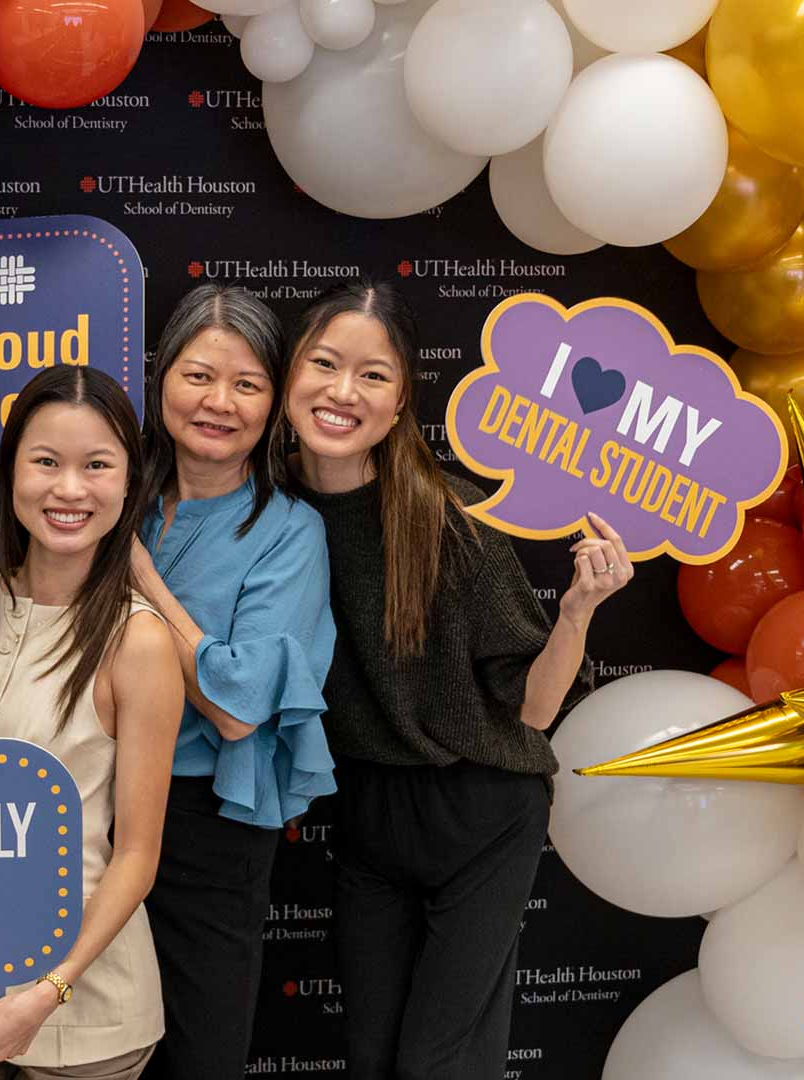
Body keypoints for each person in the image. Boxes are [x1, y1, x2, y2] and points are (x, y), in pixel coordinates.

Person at [281, 281, 629, 1080]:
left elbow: (534, 710)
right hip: (370, 811)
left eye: (373, 375)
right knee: (371, 1057)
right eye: (325, 364)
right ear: (290, 372)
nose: (342, 391)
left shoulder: (446, 517)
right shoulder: (263, 511)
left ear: (402, 402)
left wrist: (576, 611)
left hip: (482, 806)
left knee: (440, 1064)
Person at [0, 365, 184, 1080]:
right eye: (46, 462)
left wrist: (47, 990)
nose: (69, 489)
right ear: (11, 473)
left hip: (84, 1011)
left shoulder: (139, 642)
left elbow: (136, 856)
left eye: (97, 466)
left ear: (128, 483)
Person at [124, 285, 336, 1079]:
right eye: (198, 376)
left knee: (198, 1048)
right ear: (161, 382)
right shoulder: (116, 492)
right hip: (92, 802)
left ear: (274, 402)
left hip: (207, 814)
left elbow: (239, 708)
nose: (219, 402)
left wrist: (141, 577)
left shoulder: (290, 529)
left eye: (247, 384)